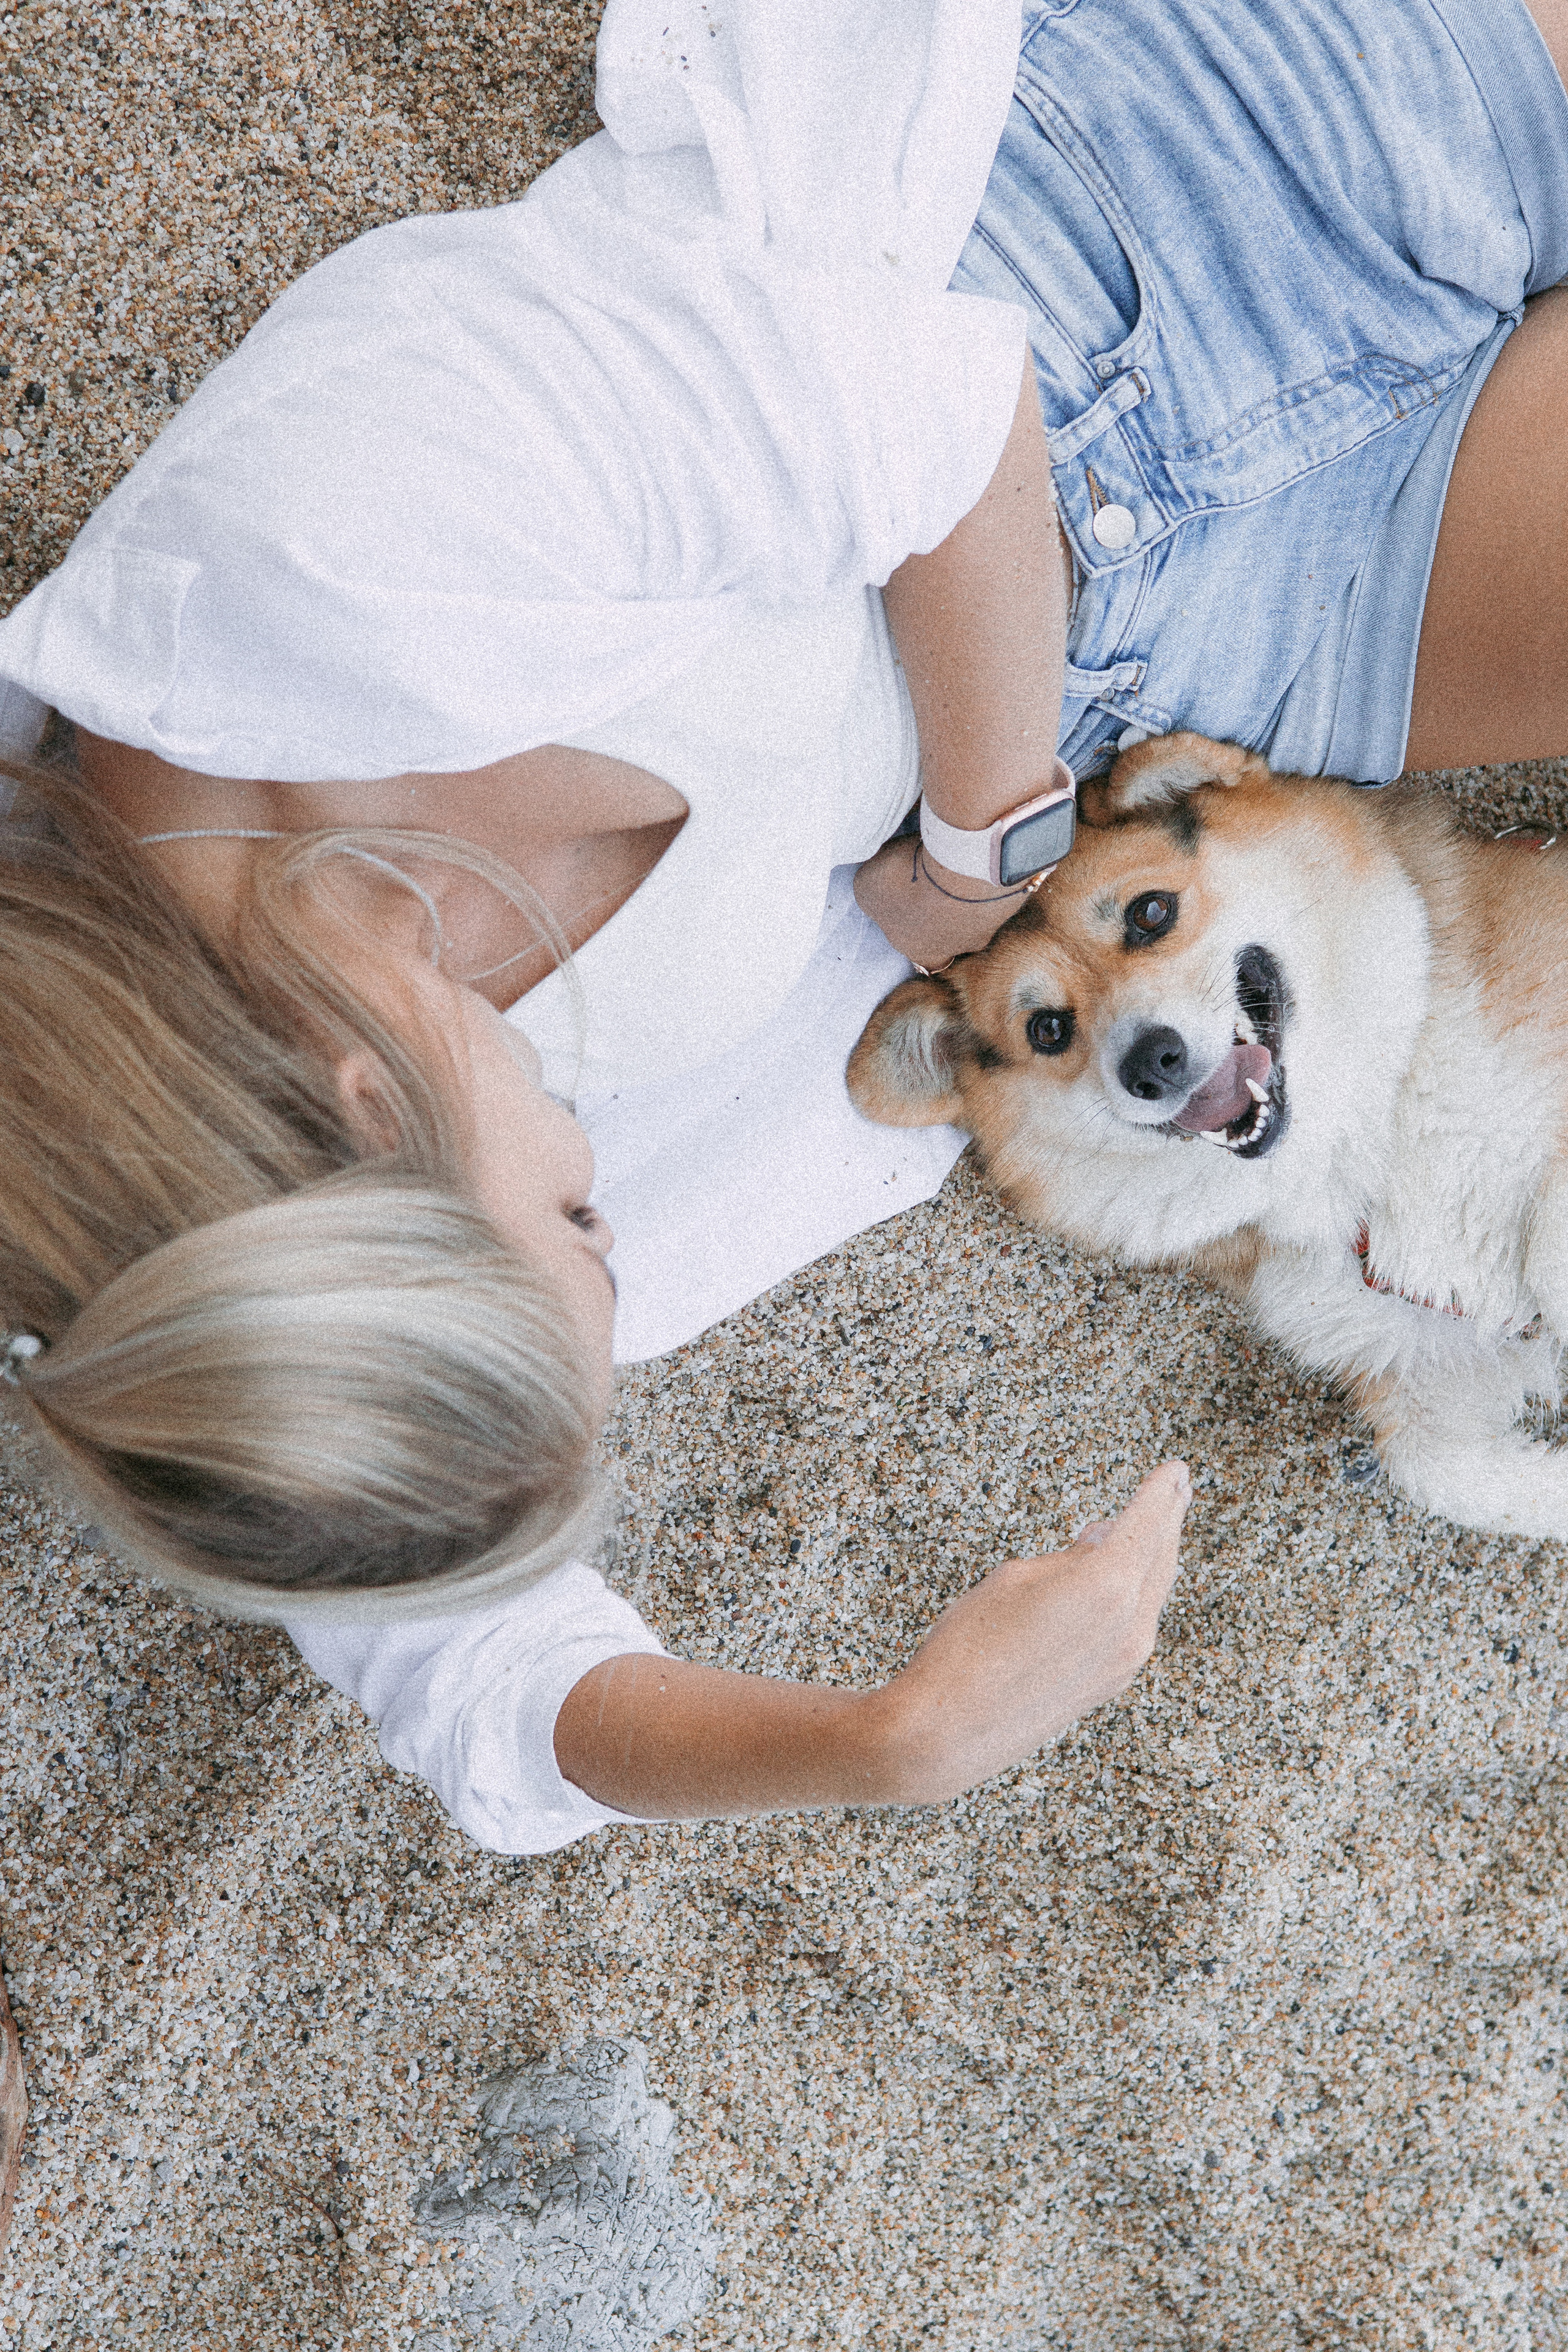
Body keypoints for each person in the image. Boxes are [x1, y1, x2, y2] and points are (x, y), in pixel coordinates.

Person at [0, 0, 1561, 1853]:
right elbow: (465, 1662)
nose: (611, 1197)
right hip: (1202, 697)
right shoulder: (209, 1253)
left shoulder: (322, 562)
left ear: (360, 1103)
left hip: (1114, 254)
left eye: (576, 1219)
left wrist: (984, 846)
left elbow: (938, 404)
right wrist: (886, 1744)